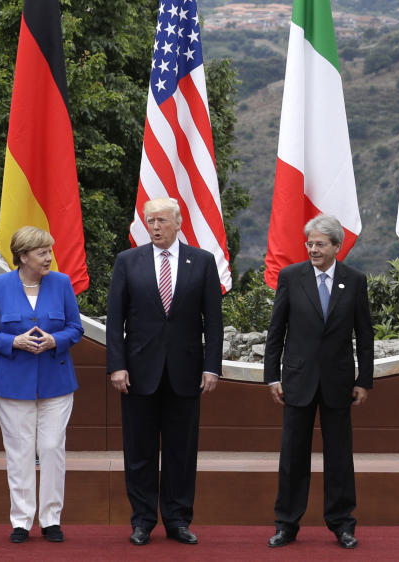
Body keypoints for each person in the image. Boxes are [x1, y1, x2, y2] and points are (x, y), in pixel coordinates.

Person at [106, 197, 223, 546]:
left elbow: (213, 322)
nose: (155, 226)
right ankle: (142, 520)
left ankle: (177, 519)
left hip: (186, 372)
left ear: (178, 222)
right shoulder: (128, 261)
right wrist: (117, 365)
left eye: (161, 220)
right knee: (139, 450)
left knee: (181, 452)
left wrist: (211, 367)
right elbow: (116, 320)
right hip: (139, 372)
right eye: (149, 220)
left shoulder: (201, 262)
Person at [264, 214, 374, 550]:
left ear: (336, 247)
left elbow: (364, 334)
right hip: (297, 380)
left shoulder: (354, 280)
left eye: (320, 244)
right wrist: (272, 376)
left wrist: (364, 380)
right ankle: (286, 524)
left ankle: (342, 525)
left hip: (338, 382)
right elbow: (276, 330)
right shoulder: (291, 277)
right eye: (309, 243)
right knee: (293, 456)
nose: (313, 249)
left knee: (339, 457)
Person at [0, 226, 83, 543]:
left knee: (51, 449)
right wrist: (14, 341)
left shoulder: (61, 284)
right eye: (42, 252)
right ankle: (21, 520)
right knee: (19, 452)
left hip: (57, 382)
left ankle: (51, 519)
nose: (49, 257)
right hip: (13, 384)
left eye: (50, 250)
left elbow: (75, 328)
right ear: (22, 256)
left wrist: (54, 339)